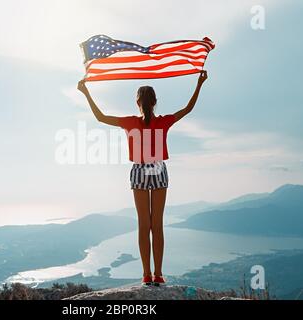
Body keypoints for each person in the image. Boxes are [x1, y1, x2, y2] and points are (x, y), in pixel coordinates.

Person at [77, 71, 208, 286]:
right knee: (157, 225)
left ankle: (146, 274)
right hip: (158, 170)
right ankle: (158, 274)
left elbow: (100, 117)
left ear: (137, 102)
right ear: (155, 102)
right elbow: (187, 109)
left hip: (138, 171)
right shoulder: (163, 122)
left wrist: (85, 92)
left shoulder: (129, 122)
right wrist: (199, 83)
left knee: (143, 225)